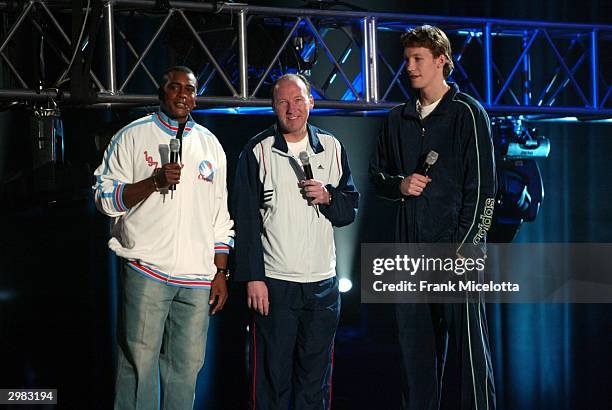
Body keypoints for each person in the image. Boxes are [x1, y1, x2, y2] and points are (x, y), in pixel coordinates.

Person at [369, 26, 497, 410]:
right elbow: (376, 178)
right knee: (415, 363)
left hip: (455, 255)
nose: (409, 67)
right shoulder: (396, 119)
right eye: (406, 59)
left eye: (418, 59)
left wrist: (464, 251)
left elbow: (485, 192)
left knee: (468, 357)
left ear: (441, 60)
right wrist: (399, 184)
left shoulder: (468, 114)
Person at [93, 66, 234, 410]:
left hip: (197, 279)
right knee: (139, 368)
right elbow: (104, 199)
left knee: (185, 370)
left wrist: (220, 272)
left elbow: (220, 217)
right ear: (162, 93)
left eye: (190, 88)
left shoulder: (211, 146)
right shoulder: (132, 136)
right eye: (175, 87)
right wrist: (153, 183)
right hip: (147, 271)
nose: (183, 94)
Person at [232, 73, 359, 410]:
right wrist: (253, 278)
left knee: (314, 379)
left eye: (299, 100)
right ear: (273, 106)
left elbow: (349, 210)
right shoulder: (257, 151)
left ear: (311, 102)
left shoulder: (332, 147)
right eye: (283, 102)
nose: (292, 109)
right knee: (272, 379)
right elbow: (244, 221)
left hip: (322, 285)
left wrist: (329, 197)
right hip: (275, 284)